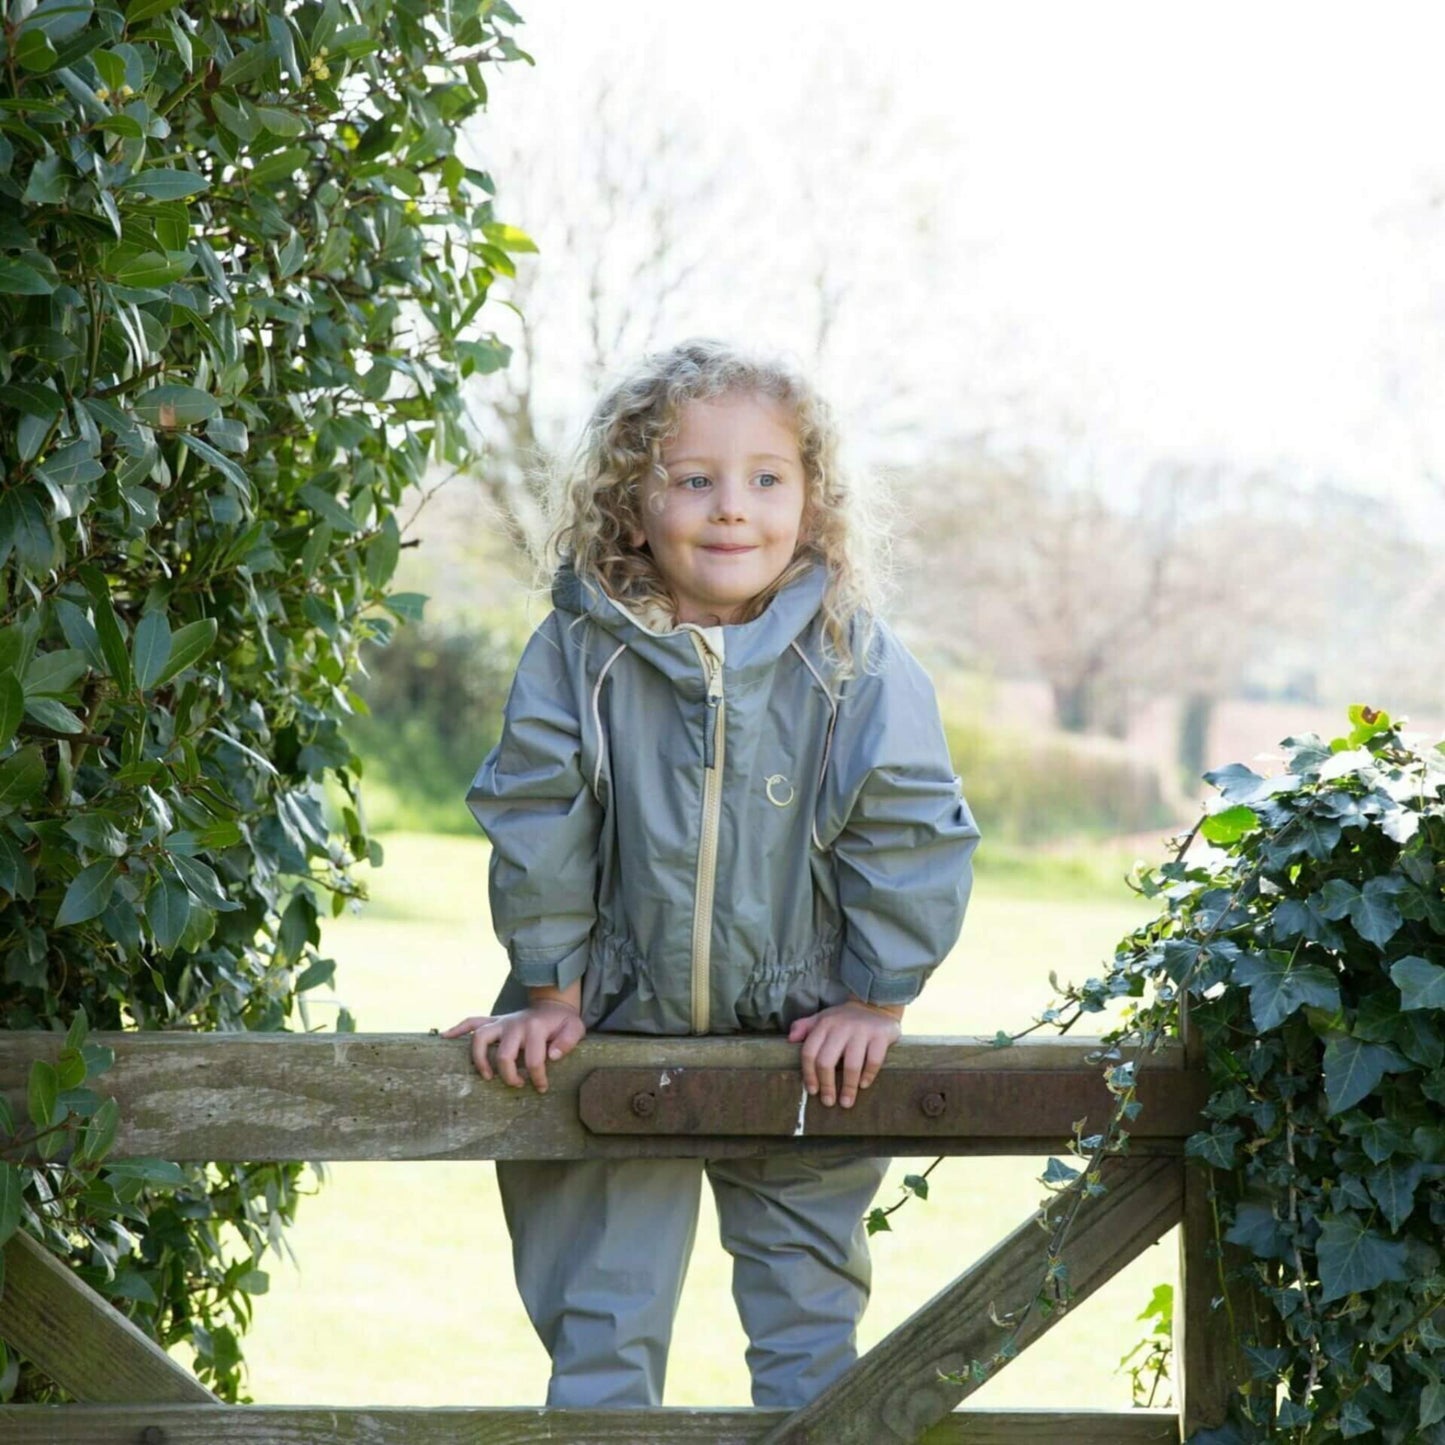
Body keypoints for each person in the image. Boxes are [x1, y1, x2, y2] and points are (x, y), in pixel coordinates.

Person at [443, 337, 979, 1409]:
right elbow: (538, 814)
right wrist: (550, 989)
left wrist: (875, 998)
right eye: (693, 478)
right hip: (610, 1031)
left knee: (810, 1347)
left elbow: (910, 819)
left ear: (812, 503)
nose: (732, 506)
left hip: (803, 1043)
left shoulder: (852, 657)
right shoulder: (574, 651)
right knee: (599, 1342)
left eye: (766, 478)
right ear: (631, 506)